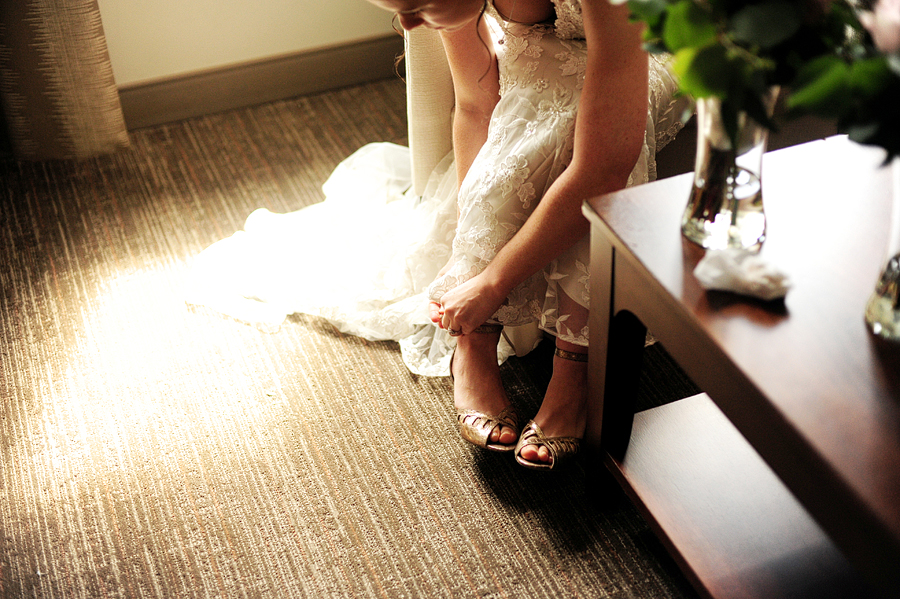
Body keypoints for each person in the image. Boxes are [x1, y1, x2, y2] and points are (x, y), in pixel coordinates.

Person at [186, 0, 682, 470]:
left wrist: (492, 282)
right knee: (519, 130)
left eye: (415, 5)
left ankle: (574, 366)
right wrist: (475, 240)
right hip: (555, 60)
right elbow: (475, 109)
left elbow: (602, 169)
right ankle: (474, 345)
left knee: (580, 132)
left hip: (652, 43)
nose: (406, 24)